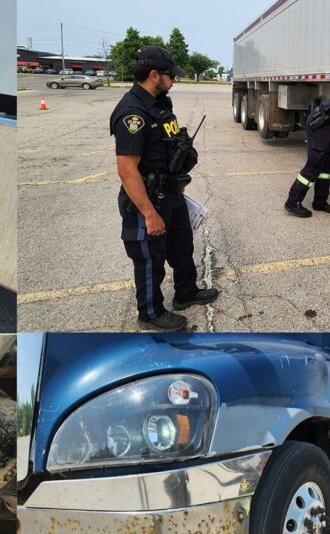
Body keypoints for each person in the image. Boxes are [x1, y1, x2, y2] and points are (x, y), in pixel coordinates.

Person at [110, 45, 219, 331]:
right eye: (171, 76)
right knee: (150, 258)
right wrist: (148, 213)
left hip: (171, 193)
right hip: (148, 198)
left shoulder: (160, 103)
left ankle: (186, 293)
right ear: (154, 75)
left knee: (181, 246)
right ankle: (150, 312)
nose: (175, 81)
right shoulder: (132, 114)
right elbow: (127, 169)